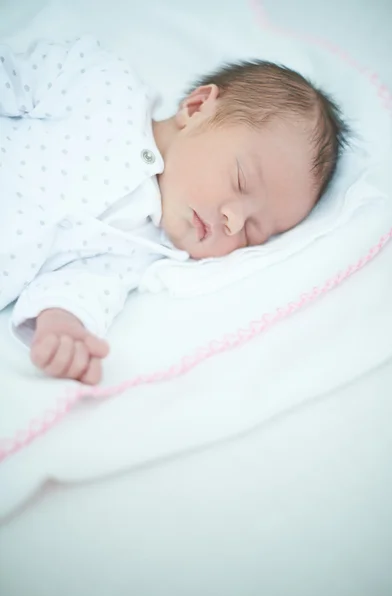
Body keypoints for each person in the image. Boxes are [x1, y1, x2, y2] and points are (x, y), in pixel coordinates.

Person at [0, 36, 348, 384]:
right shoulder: (104, 89)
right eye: (241, 180)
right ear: (197, 108)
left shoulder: (145, 252)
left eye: (253, 230)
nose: (234, 220)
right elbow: (15, 75)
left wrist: (62, 327)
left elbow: (78, 285)